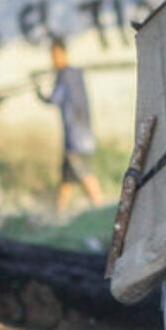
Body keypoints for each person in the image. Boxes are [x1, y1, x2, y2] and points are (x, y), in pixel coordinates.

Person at [36, 37, 105, 212]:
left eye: (55, 55)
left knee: (84, 173)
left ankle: (100, 207)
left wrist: (38, 92)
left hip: (76, 136)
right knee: (66, 178)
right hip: (81, 134)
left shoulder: (65, 75)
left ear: (62, 54)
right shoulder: (75, 74)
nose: (53, 60)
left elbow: (55, 98)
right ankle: (58, 211)